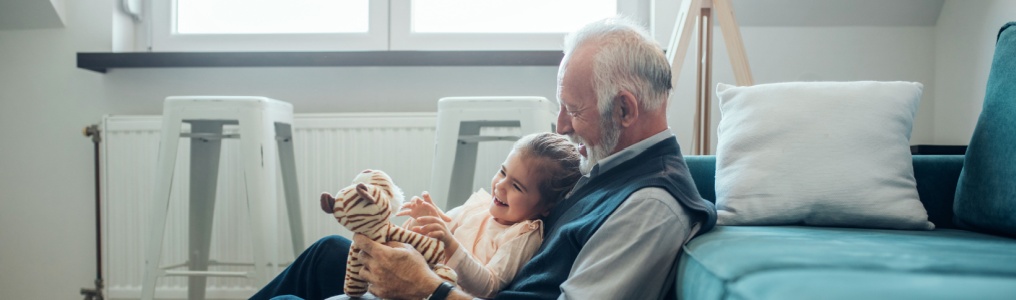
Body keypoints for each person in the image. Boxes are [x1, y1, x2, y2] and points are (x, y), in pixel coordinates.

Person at [252, 16, 717, 300]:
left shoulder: (649, 209)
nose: (561, 126)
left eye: (573, 110)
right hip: (469, 286)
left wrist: (428, 289)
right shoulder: (609, 163)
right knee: (326, 256)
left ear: (625, 109)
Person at [396, 132, 582, 298]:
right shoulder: (480, 206)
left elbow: (489, 286)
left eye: (516, 186)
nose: (501, 185)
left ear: (546, 207)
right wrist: (425, 218)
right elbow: (435, 239)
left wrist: (449, 242)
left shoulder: (523, 234)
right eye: (502, 172)